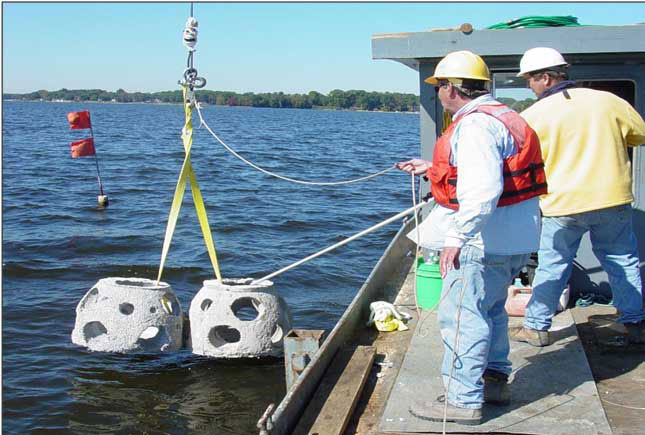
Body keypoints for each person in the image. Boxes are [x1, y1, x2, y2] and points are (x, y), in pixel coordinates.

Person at [397, 50, 545, 425]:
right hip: (514, 237)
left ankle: (462, 399)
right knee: (491, 309)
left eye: (440, 86)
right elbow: (496, 170)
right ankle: (493, 381)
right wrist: (434, 169)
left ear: (451, 88)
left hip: (482, 241)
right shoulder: (506, 116)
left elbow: (482, 190)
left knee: (461, 316)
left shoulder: (475, 126)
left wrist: (456, 237)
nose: (439, 93)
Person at [510, 47, 645, 347]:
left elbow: (519, 162)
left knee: (553, 265)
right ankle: (634, 324)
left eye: (529, 79)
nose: (528, 86)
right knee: (622, 261)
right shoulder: (609, 102)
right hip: (613, 199)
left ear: (545, 78)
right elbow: (639, 135)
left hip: (563, 204)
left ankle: (536, 327)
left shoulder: (532, 116)